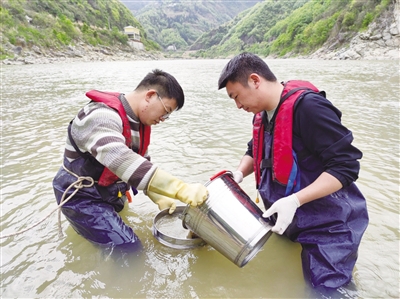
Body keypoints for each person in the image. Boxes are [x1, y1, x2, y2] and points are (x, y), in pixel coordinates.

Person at [218, 53, 368, 289]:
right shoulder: (262, 114)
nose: (237, 106)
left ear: (255, 80)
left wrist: (296, 200)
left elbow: (346, 166)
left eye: (236, 96)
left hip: (328, 226)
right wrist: (238, 174)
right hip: (289, 219)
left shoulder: (308, 107)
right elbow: (253, 150)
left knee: (326, 290)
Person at [53, 69, 208, 249]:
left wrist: (156, 194)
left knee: (122, 226)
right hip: (82, 196)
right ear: (150, 96)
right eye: (166, 111)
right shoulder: (101, 116)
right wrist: (180, 188)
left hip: (109, 191)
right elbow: (120, 159)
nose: (164, 119)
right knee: (130, 248)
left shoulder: (137, 123)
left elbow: (141, 161)